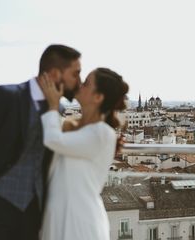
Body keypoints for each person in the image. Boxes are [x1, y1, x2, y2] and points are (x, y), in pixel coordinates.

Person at [0, 44, 81, 240]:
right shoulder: (7, 96)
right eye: (75, 74)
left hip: (33, 217)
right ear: (54, 74)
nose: (79, 81)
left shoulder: (55, 110)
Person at [39, 68, 129, 240]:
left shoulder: (102, 133)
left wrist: (52, 105)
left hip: (80, 222)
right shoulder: (73, 127)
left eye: (87, 83)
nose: (80, 84)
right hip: (59, 217)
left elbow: (53, 140)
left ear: (98, 97)